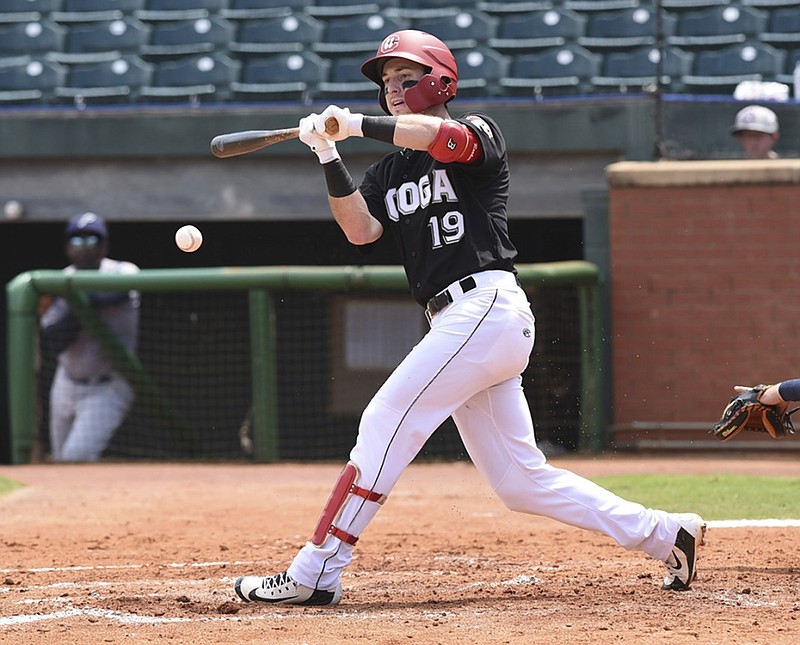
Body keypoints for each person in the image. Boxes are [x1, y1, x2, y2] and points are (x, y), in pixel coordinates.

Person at [234, 30, 706, 606]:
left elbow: (446, 140)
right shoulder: (387, 172)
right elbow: (361, 229)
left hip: (484, 308)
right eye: (387, 84)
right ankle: (665, 532)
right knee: (520, 481)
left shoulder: (480, 133)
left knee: (384, 420)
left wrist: (354, 125)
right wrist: (328, 155)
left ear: (441, 82)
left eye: (407, 79)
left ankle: (316, 571)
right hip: (460, 324)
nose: (394, 91)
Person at [39, 212, 140, 462]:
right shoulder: (61, 278)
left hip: (108, 384)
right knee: (61, 459)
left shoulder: (123, 271)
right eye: (77, 241)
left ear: (104, 245)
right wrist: (76, 301)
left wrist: (71, 297)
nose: (84, 249)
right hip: (66, 382)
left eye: (92, 241)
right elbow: (54, 339)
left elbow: (114, 295)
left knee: (76, 457)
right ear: (66, 247)